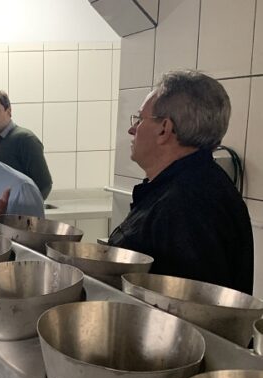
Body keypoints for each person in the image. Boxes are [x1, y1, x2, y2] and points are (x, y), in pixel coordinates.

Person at [108, 70, 254, 295]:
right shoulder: (188, 186)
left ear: (164, 129)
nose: (132, 129)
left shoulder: (188, 204)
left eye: (139, 119)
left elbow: (187, 306)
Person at [0, 90, 53, 199]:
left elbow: (44, 185)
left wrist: (26, 207)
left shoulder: (25, 139)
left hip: (18, 208)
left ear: (8, 111)